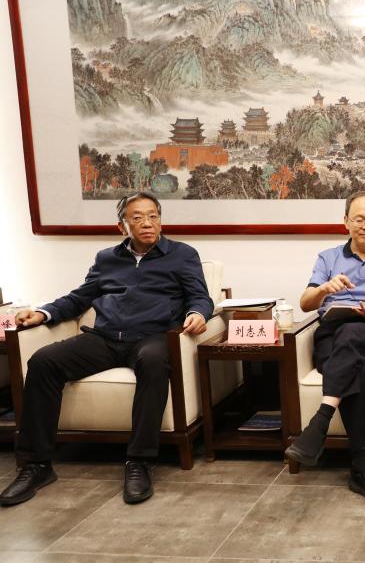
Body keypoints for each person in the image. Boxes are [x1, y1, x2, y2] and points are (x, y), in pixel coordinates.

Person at [0, 192, 213, 506]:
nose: (147, 223)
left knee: (154, 361)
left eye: (153, 216)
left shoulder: (182, 254)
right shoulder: (106, 259)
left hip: (152, 337)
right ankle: (36, 465)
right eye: (137, 218)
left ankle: (139, 461)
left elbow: (200, 296)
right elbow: (79, 298)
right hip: (105, 337)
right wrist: (44, 313)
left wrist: (197, 314)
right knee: (44, 361)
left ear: (160, 220)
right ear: (121, 226)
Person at [285, 190, 365, 504]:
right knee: (359, 368)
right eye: (359, 219)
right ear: (346, 222)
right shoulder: (328, 259)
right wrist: (325, 289)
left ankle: (321, 419)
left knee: (354, 331)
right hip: (332, 335)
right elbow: (305, 303)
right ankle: (361, 467)